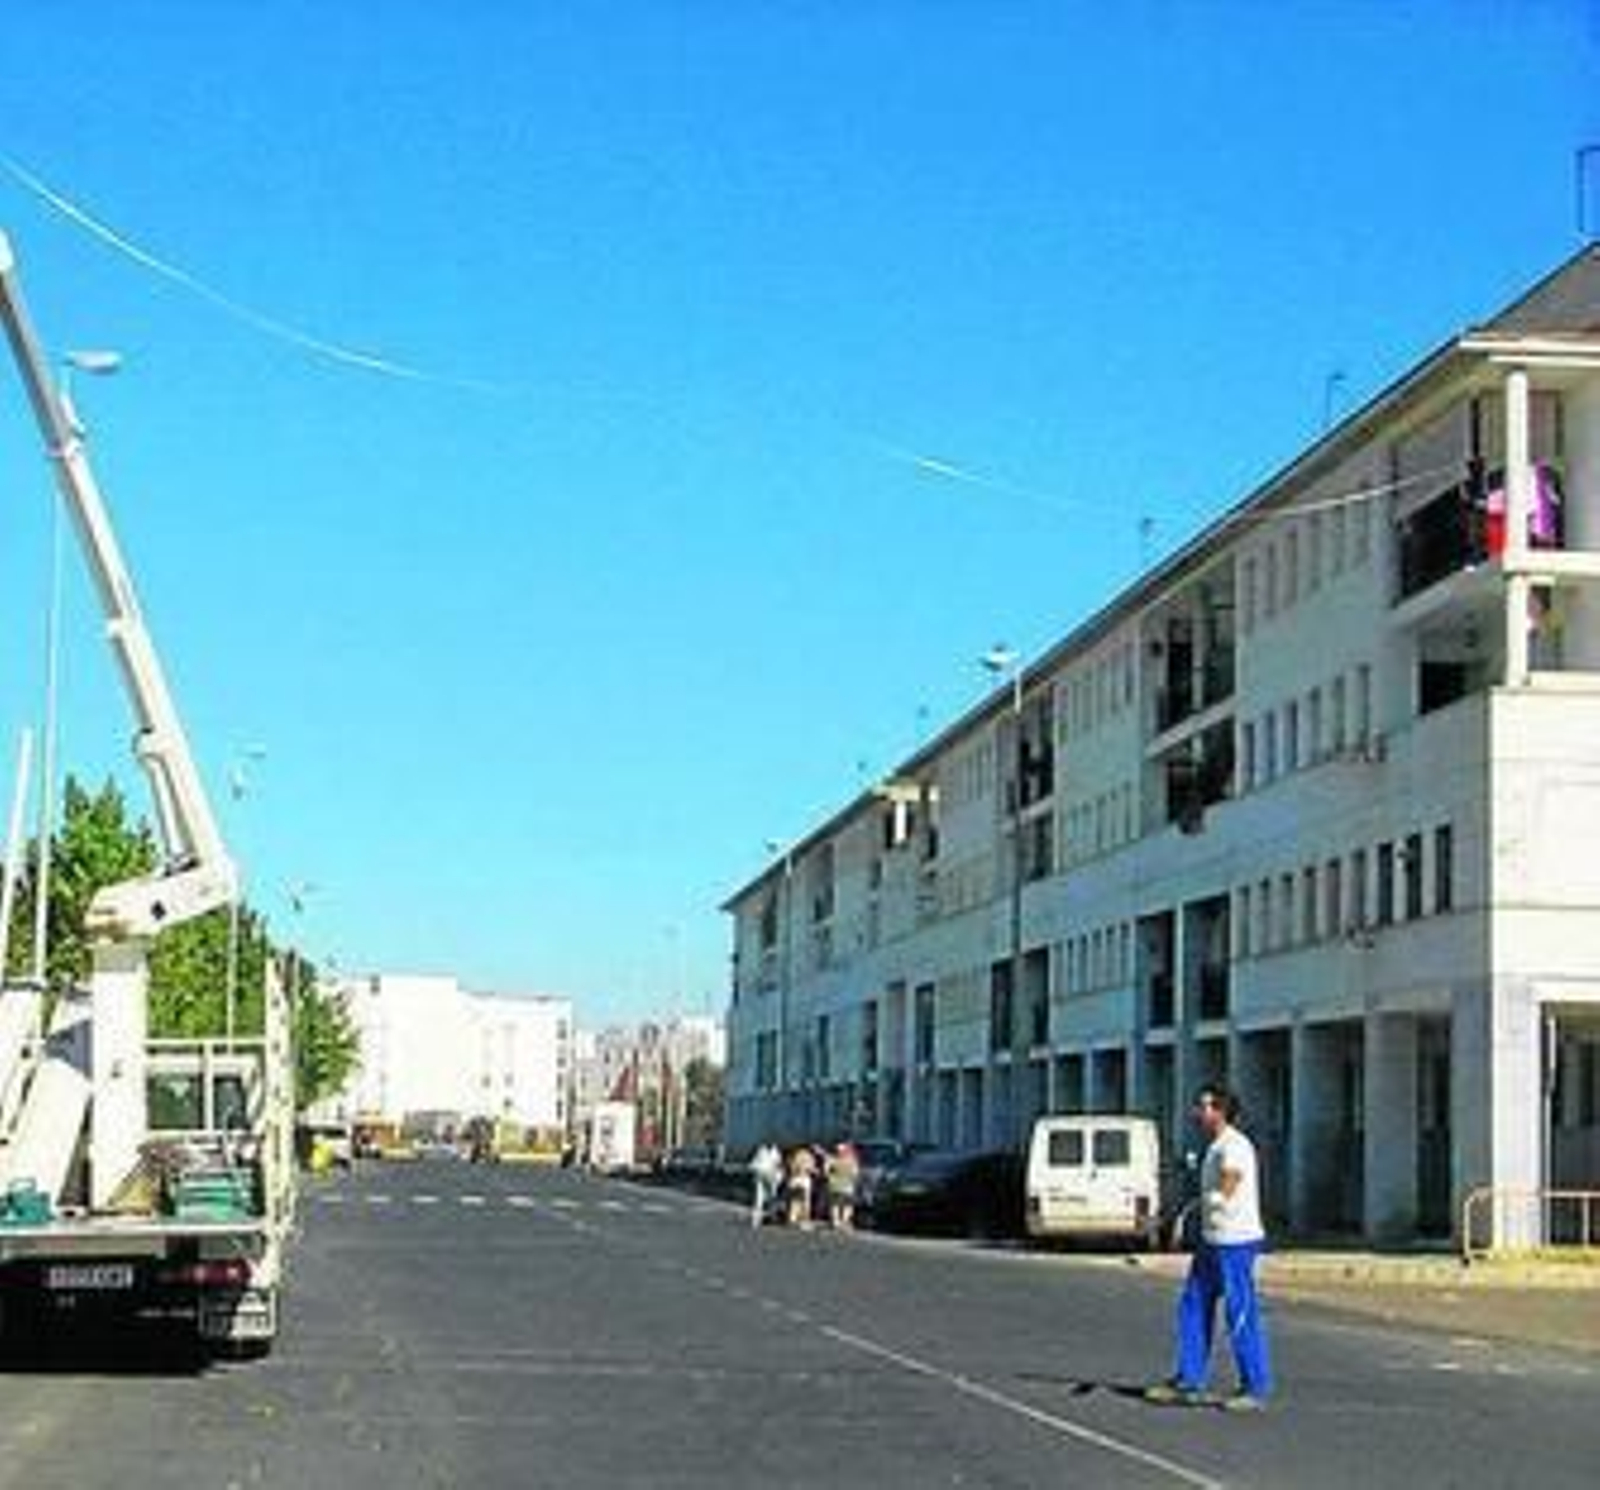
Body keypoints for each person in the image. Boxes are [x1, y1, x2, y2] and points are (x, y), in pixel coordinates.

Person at [1146, 1083, 1271, 1412]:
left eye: (1204, 1107)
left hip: (1236, 1240)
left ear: (1220, 1111)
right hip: (1212, 1239)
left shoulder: (1234, 1145)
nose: (1198, 1113)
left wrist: (1206, 1201)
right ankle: (1189, 1378)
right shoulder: (1214, 1146)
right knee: (1193, 1305)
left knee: (1239, 1311)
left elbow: (1230, 1182)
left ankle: (1254, 1386)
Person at [825, 1141, 860, 1231]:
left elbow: (826, 1171)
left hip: (834, 1185)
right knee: (847, 1205)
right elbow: (855, 1173)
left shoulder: (833, 1160)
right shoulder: (852, 1161)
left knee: (835, 1204)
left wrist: (830, 1177)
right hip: (848, 1186)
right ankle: (844, 1221)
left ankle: (835, 1222)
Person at [749, 1141, 782, 1229]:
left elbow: (778, 1165)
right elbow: (753, 1163)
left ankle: (772, 1217)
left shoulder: (776, 1152)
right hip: (761, 1177)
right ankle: (755, 1220)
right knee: (759, 1198)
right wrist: (755, 1169)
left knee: (773, 1198)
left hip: (771, 1178)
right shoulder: (760, 1151)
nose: (770, 1145)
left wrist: (777, 1175)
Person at [785, 1145, 816, 1229]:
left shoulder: (794, 1155)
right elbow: (811, 1169)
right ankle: (804, 1221)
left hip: (794, 1180)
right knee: (805, 1201)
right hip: (804, 1180)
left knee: (794, 1201)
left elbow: (791, 1167)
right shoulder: (808, 1156)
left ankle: (792, 1219)